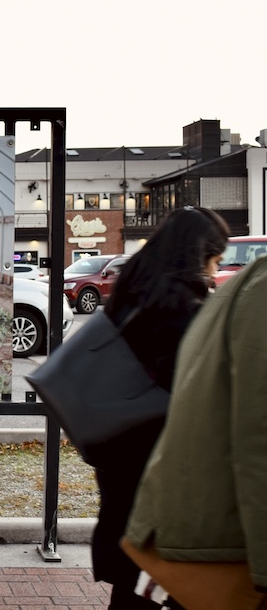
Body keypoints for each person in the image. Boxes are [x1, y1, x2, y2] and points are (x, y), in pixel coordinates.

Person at [90, 207, 230, 609]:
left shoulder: (131, 292)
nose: (216, 272)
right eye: (216, 261)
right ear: (200, 254)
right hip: (159, 466)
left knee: (132, 582)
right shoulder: (185, 311)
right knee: (157, 579)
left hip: (119, 452)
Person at [123, 250, 267, 606]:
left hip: (187, 506)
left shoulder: (240, 289)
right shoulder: (247, 295)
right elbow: (258, 440)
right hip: (220, 539)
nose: (217, 269)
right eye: (215, 259)